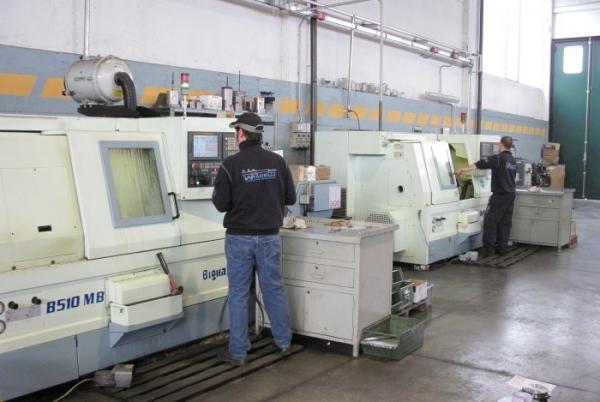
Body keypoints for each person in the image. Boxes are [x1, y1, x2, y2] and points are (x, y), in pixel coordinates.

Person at [212, 112, 297, 366]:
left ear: (241, 133)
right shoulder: (278, 162)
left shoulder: (230, 165)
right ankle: (284, 342)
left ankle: (238, 352)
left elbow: (220, 204)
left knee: (239, 293)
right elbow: (291, 198)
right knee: (274, 289)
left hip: (239, 238)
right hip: (269, 237)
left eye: (236, 131)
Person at [455, 136, 517, 257]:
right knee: (505, 222)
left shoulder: (498, 158)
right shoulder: (513, 160)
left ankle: (488, 250)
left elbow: (480, 164)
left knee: (490, 221)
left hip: (499, 195)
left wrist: (462, 169)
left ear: (501, 144)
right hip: (510, 194)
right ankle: (502, 248)